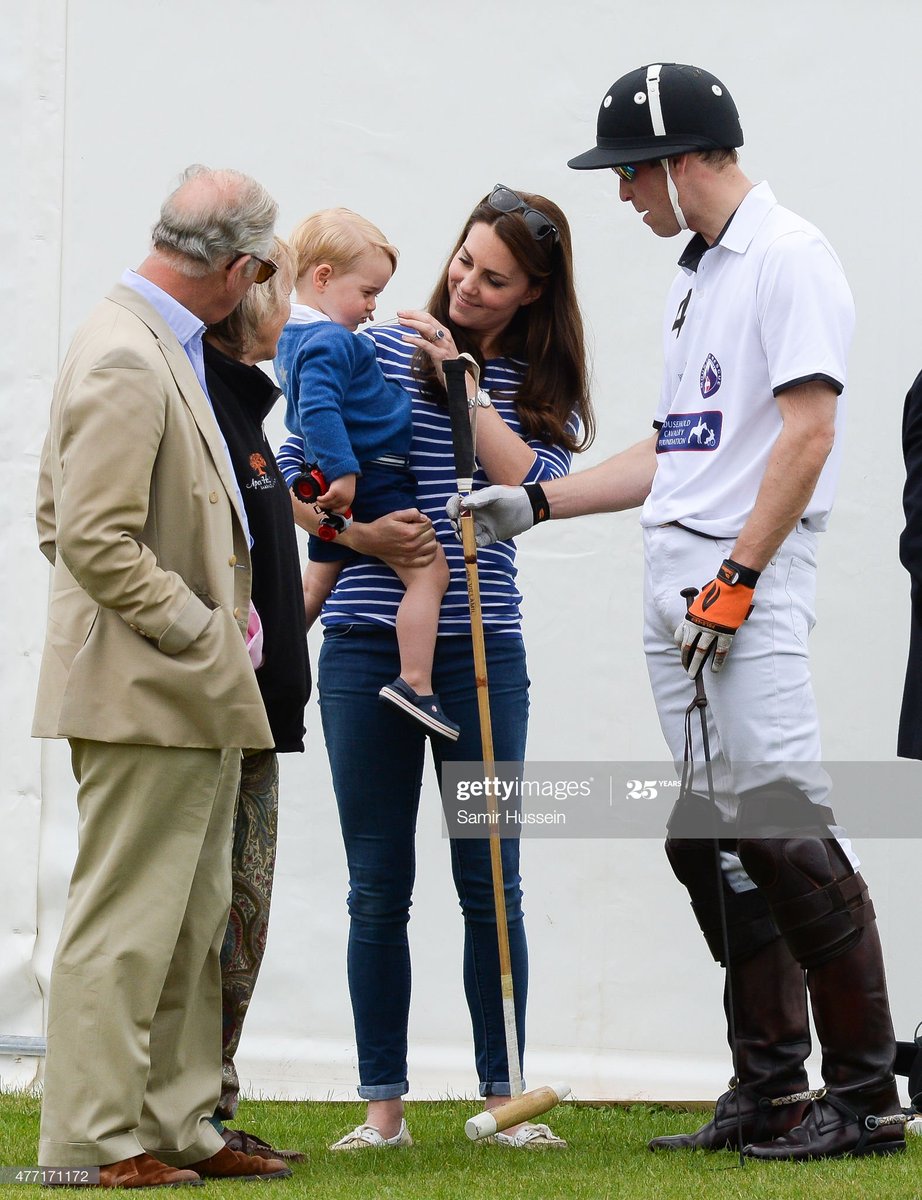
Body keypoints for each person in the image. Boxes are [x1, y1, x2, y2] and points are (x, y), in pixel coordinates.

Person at [451, 65, 905, 1160]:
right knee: (710, 842)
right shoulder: (695, 277)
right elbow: (677, 449)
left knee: (786, 831)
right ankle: (771, 1088)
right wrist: (539, 501)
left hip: (738, 582)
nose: (621, 198)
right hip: (679, 582)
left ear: (676, 160)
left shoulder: (787, 257)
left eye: (626, 175)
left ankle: (865, 1094)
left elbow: (807, 432)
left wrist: (739, 575)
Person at [277, 184, 593, 1150]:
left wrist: (460, 383)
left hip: (483, 648)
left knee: (491, 881)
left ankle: (504, 1097)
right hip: (368, 648)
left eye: (495, 280)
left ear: (534, 294)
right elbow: (294, 473)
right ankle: (384, 1112)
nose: (467, 286)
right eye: (463, 263)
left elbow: (533, 488)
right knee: (377, 885)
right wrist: (361, 531)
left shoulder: (532, 390)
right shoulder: (368, 343)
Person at [32, 166, 293, 1186]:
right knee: (127, 923)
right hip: (150, 688)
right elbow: (85, 536)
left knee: (189, 922)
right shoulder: (125, 357)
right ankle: (91, 1143)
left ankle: (175, 1125)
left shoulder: (154, 346)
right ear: (237, 268)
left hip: (188, 687)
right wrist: (200, 626)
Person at [201, 236, 311, 1162]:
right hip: (217, 715)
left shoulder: (248, 413)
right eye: (283, 290)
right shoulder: (205, 403)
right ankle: (193, 1112)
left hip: (262, 716)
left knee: (245, 916)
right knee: (210, 919)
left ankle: (213, 1108)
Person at [277, 208, 457, 740]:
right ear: (324, 278)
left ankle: (265, 657)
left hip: (340, 475)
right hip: (371, 477)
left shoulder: (288, 336)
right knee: (430, 575)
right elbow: (320, 409)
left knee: (317, 583)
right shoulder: (332, 341)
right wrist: (344, 472)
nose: (373, 307)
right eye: (368, 292)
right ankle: (415, 682)